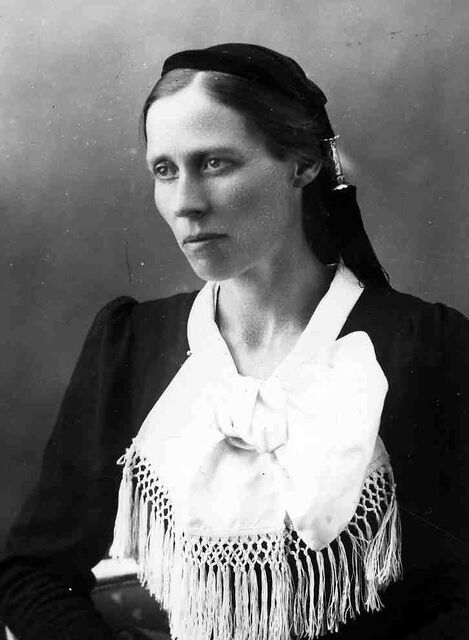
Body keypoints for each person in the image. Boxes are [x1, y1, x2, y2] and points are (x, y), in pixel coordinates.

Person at [0, 43, 468, 640]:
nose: (185, 204)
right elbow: (32, 575)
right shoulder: (131, 345)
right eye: (165, 171)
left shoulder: (424, 346)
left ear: (302, 165)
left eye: (215, 163)